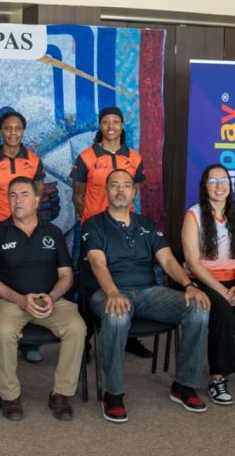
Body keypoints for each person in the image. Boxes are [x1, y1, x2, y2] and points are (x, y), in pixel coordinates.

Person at [82, 169, 210, 423]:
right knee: (117, 316)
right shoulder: (93, 224)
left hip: (148, 292)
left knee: (198, 307)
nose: (120, 190)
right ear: (106, 190)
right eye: (114, 185)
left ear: (134, 192)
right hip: (108, 292)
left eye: (126, 185)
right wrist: (113, 292)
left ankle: (184, 385)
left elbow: (168, 260)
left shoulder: (147, 224)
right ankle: (113, 393)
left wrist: (188, 285)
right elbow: (97, 263)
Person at [0, 176, 86, 421]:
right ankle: (10, 396)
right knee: (4, 331)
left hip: (50, 300)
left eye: (24, 195)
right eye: (13, 195)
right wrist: (20, 300)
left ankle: (61, 394)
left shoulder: (53, 232)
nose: (18, 200)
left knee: (77, 328)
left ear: (37, 201)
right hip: (9, 301)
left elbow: (66, 275)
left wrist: (52, 296)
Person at [71, 106, 152, 359]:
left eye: (115, 121)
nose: (111, 126)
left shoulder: (134, 158)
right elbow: (77, 196)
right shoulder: (86, 157)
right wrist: (92, 221)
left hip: (125, 229)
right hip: (95, 230)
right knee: (88, 284)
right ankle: (84, 341)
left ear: (122, 125)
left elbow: (132, 193)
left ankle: (129, 337)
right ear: (100, 126)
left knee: (127, 280)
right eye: (106, 121)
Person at [0, 107, 46, 364]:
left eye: (18, 128)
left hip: (27, 233)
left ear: (23, 131)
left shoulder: (34, 161)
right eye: (7, 128)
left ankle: (29, 343)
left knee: (31, 280)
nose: (13, 133)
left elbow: (37, 197)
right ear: (0, 131)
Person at [181, 163, 235, 405]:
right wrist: (223, 290)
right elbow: (193, 262)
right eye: (212, 181)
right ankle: (217, 377)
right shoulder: (193, 215)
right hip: (202, 280)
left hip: (232, 279)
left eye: (223, 180)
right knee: (223, 311)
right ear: (204, 186)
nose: (219, 186)